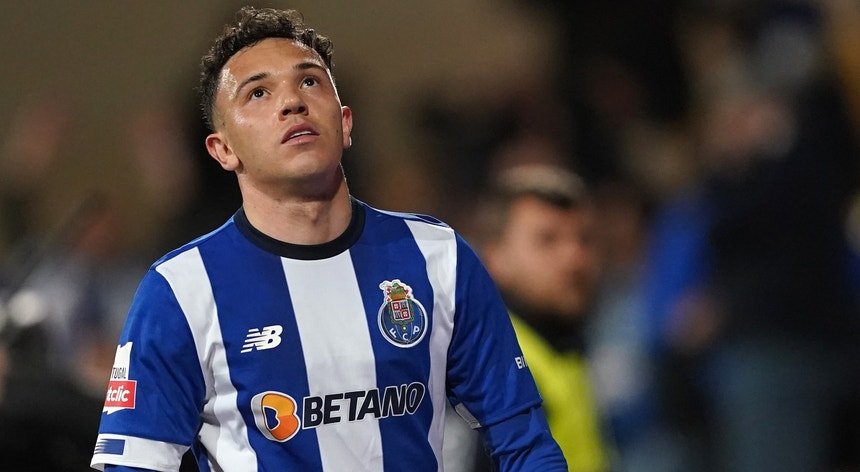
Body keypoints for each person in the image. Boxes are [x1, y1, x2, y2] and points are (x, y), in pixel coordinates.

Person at [90, 6, 566, 472]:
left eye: (310, 82)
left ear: (345, 122)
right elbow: (135, 465)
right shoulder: (181, 290)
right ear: (223, 149)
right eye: (258, 93)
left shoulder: (438, 257)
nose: (292, 102)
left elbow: (525, 444)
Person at [472, 164, 611, 472]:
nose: (574, 258)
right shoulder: (491, 371)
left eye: (584, 239)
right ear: (495, 257)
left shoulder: (560, 342)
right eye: (547, 240)